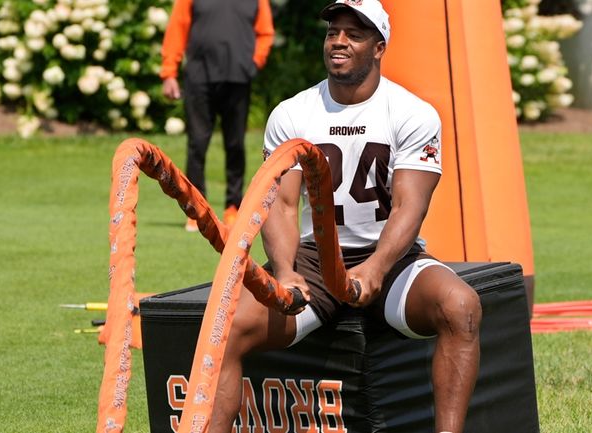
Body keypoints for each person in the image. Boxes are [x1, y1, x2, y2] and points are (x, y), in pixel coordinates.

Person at [209, 1, 482, 433]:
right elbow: (279, 204)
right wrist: (284, 269)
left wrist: (376, 267)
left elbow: (411, 206)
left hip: (392, 258)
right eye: (333, 32)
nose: (339, 42)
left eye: (354, 35)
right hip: (316, 259)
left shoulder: (412, 113)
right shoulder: (293, 112)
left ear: (379, 47)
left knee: (461, 307)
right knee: (224, 331)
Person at [160, 0, 275, 231]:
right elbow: (177, 28)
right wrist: (169, 71)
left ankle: (233, 207)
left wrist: (256, 61)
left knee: (235, 145)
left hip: (238, 77)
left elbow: (266, 32)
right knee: (197, 144)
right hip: (199, 78)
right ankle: (196, 210)